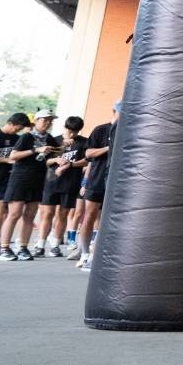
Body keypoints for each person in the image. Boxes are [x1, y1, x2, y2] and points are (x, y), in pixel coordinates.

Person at [0, 110, 50, 260]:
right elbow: (13, 156)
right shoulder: (26, 137)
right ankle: (4, 248)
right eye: (44, 120)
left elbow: (54, 155)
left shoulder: (49, 138)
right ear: (37, 120)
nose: (48, 123)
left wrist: (61, 150)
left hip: (37, 180)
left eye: (50, 120)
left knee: (30, 215)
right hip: (19, 179)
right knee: (13, 213)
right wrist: (35, 150)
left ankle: (23, 247)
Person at [75, 103, 118, 269]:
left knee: (108, 218)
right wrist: (108, 147)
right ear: (115, 112)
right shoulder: (101, 130)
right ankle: (84, 253)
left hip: (116, 180)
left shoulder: (128, 130)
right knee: (90, 215)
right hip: (97, 178)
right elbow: (88, 154)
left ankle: (98, 254)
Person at [38, 116, 88, 257]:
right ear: (64, 127)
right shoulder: (54, 140)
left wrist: (70, 164)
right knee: (47, 213)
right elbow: (46, 162)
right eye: (69, 131)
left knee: (63, 214)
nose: (71, 134)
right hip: (52, 181)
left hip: (71, 182)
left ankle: (55, 246)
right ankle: (40, 245)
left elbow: (87, 161)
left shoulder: (84, 142)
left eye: (75, 132)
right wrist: (57, 159)